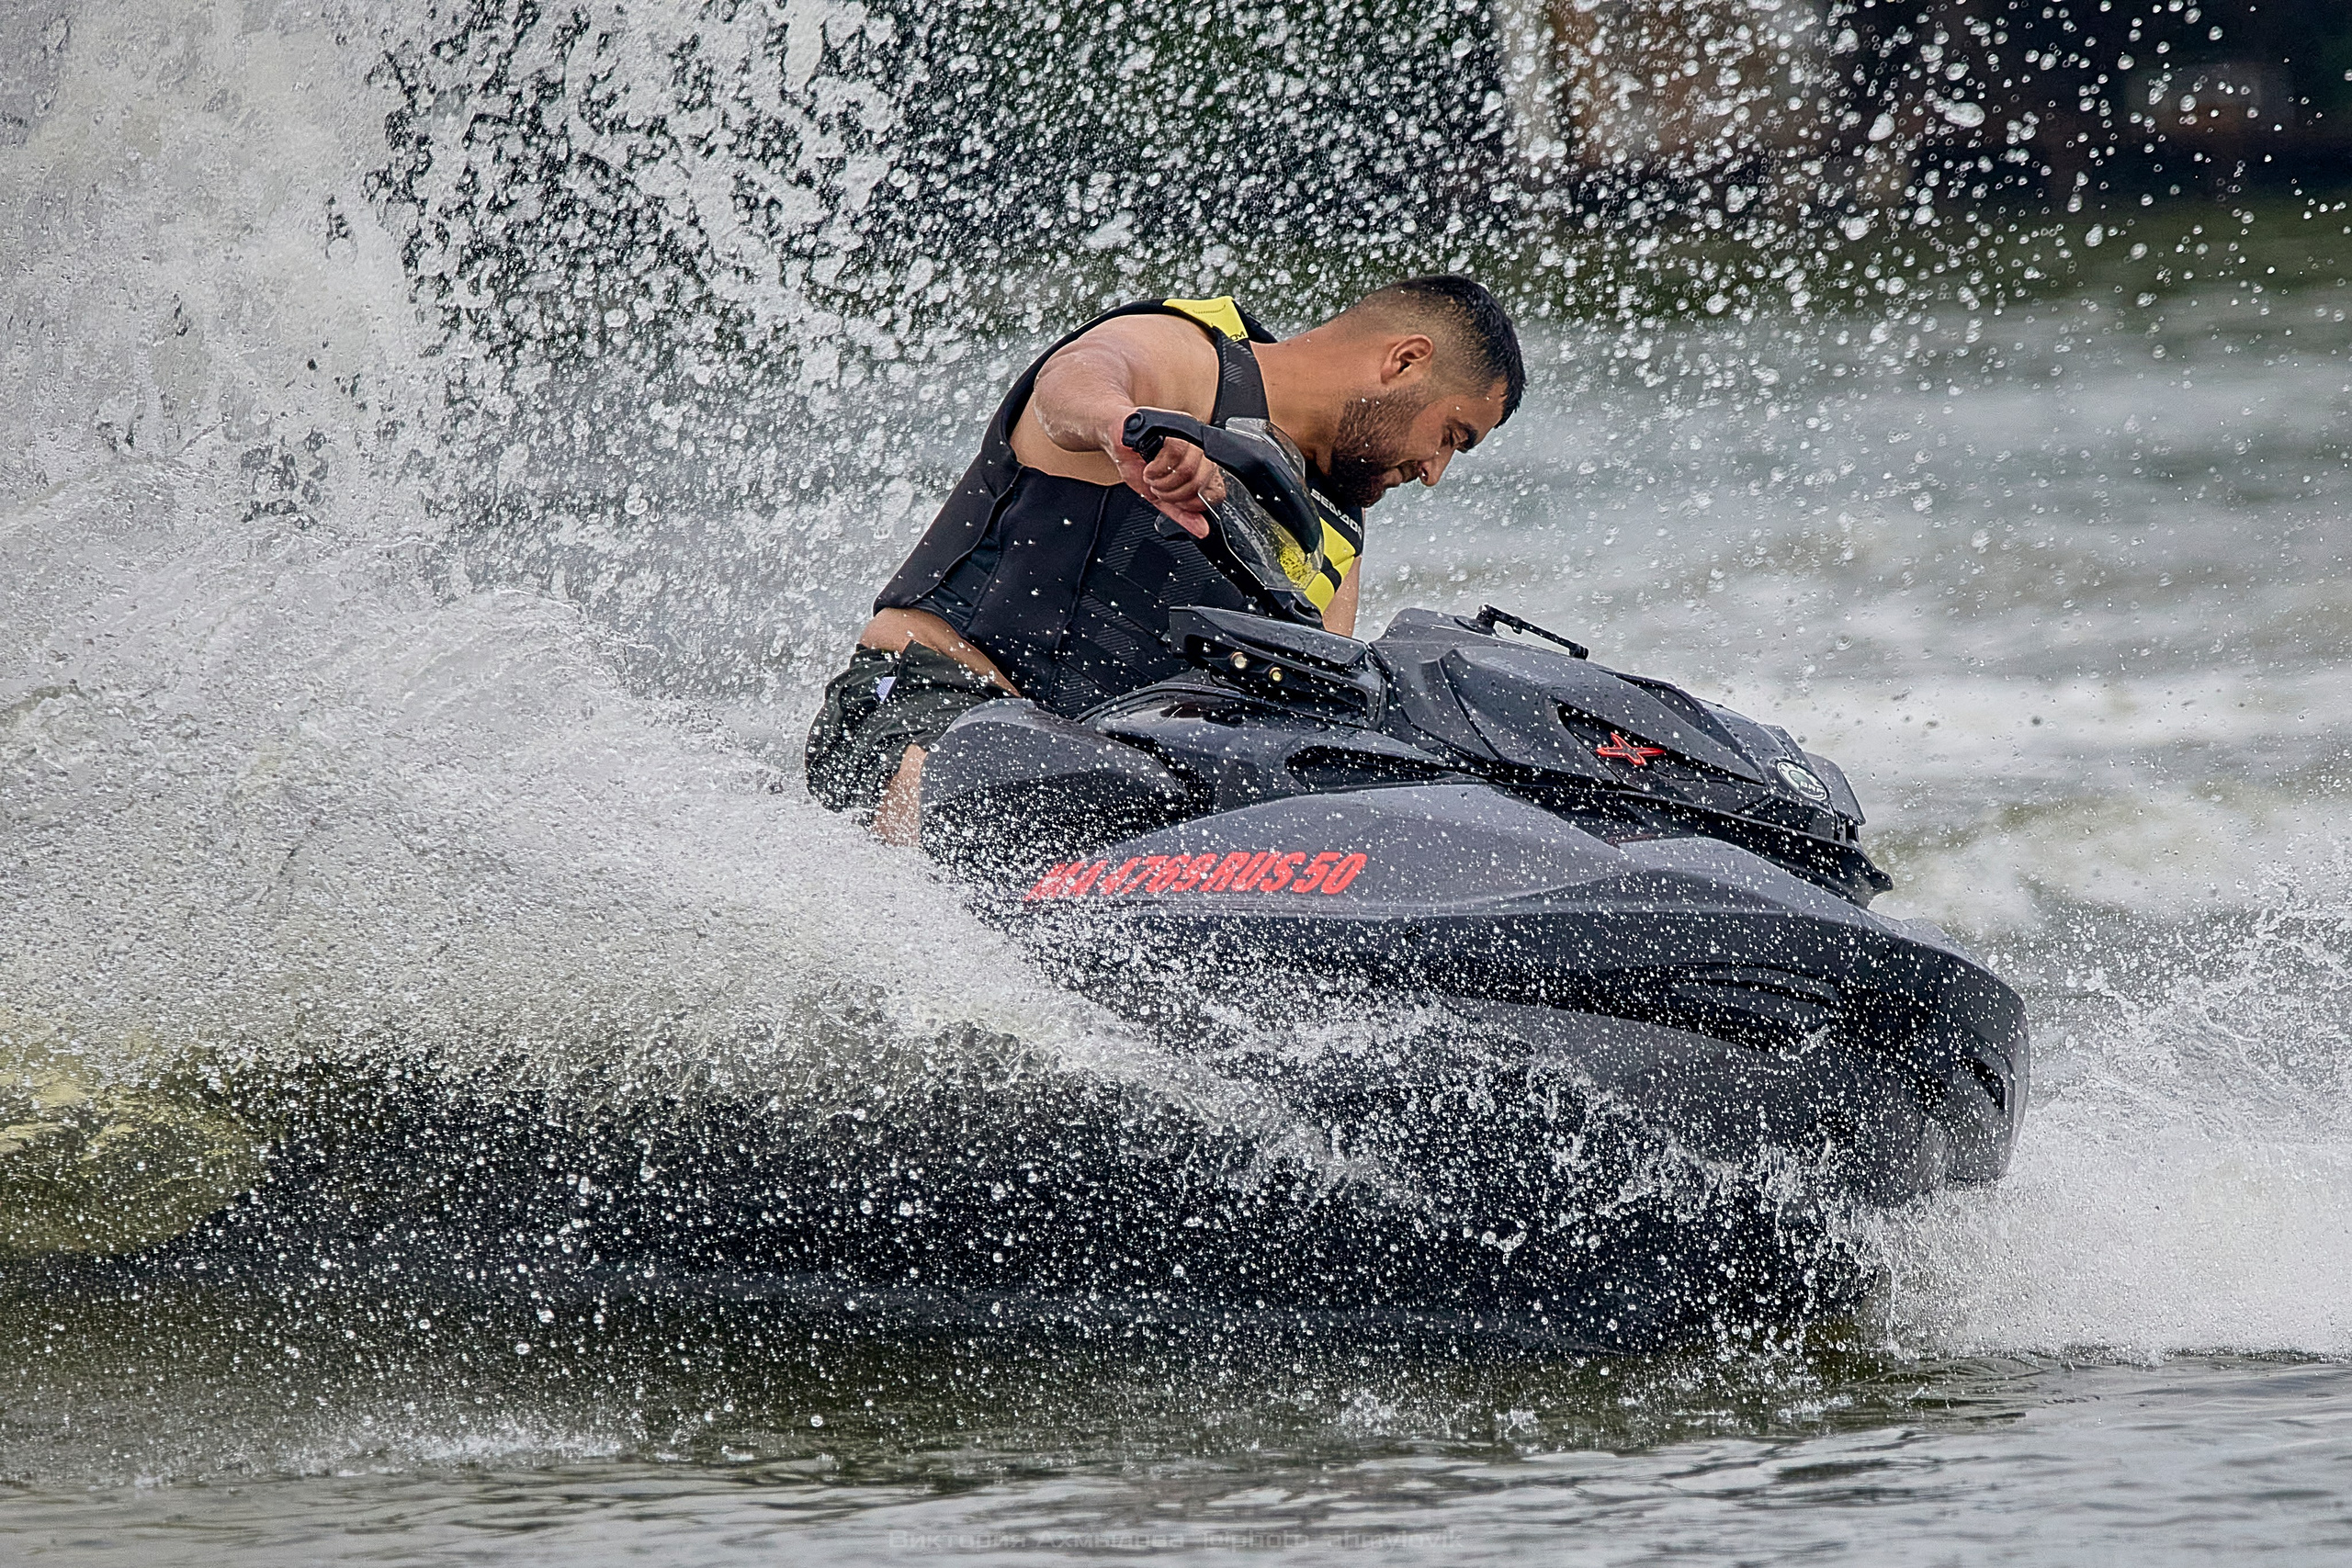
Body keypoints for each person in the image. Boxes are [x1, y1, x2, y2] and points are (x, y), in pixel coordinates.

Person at [807, 275, 1525, 842]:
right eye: (1452, 436)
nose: (1435, 471)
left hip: (1100, 789)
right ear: (1405, 361)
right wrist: (1129, 431)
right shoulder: (1191, 360)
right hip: (928, 713)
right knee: (999, 822)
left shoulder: (1333, 532)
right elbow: (1075, 380)